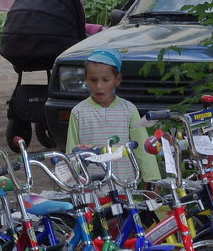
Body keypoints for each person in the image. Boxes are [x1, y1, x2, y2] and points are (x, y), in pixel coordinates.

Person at [65, 48, 160, 186]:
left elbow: (143, 148)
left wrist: (152, 180)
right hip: (92, 189)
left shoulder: (128, 110)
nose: (99, 86)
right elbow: (72, 153)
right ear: (86, 80)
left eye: (105, 80)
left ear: (117, 79)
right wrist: (69, 184)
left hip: (125, 187)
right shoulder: (78, 112)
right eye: (93, 80)